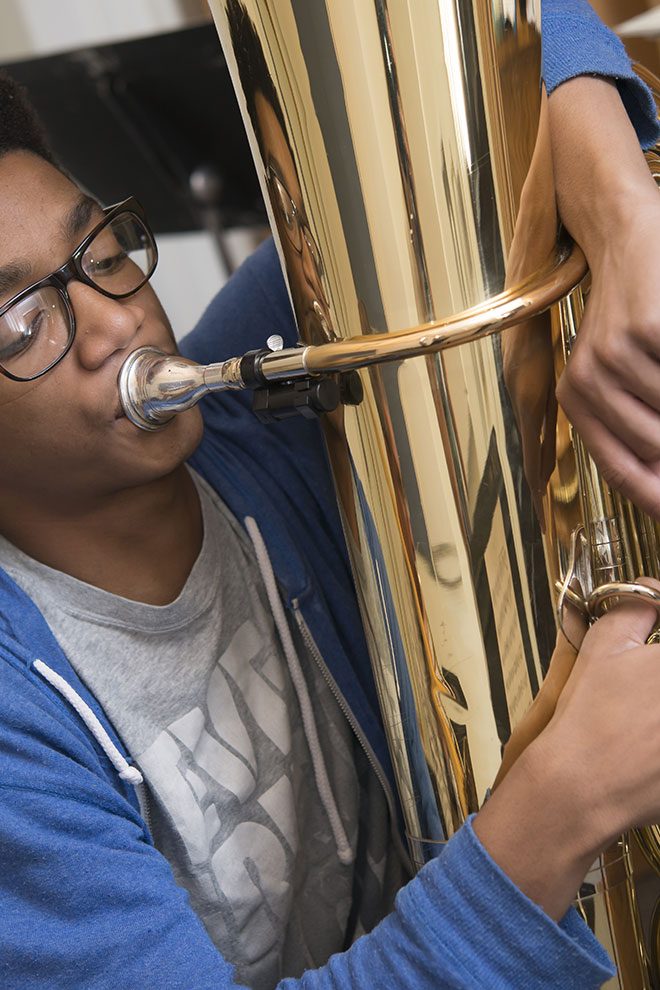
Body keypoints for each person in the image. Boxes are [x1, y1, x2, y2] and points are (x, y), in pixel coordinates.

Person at [0, 4, 658, 990]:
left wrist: (628, 221)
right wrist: (560, 806)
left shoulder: (264, 395)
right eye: (19, 324)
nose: (114, 323)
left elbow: (507, 32)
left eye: (99, 253)